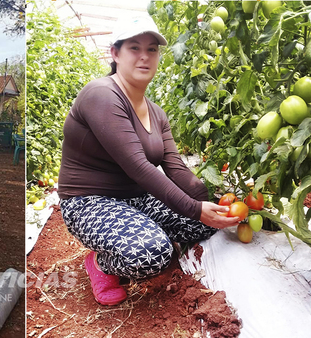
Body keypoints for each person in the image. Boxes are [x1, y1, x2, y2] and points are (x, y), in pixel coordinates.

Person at [57, 16, 240, 306]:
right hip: (89, 202)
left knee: (208, 223)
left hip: (137, 199)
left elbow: (175, 168)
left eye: (152, 49)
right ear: (115, 54)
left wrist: (210, 201)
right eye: (134, 48)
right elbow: (138, 167)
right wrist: (193, 208)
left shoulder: (156, 112)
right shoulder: (102, 95)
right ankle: (100, 264)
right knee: (151, 255)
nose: (145, 56)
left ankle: (144, 229)